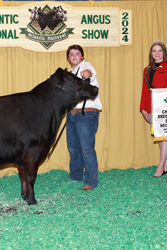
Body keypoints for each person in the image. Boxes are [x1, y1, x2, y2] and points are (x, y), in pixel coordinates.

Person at [66, 44, 102, 190]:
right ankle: (75, 175)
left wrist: (87, 74)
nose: (74, 56)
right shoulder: (70, 74)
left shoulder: (86, 66)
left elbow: (90, 72)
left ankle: (91, 181)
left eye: (77, 53)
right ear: (68, 58)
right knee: (73, 147)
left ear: (82, 57)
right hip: (72, 114)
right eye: (71, 54)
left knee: (86, 148)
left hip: (86, 113)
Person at [140, 40, 167, 177]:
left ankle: (160, 167)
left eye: (159, 51)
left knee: (164, 135)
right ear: (151, 53)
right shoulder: (147, 69)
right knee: (159, 136)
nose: (157, 53)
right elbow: (145, 89)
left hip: (164, 105)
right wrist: (143, 108)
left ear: (164, 52)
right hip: (150, 105)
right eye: (154, 51)